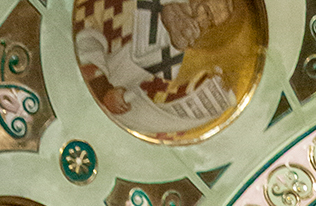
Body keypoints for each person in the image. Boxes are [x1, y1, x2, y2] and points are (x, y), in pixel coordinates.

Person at [73, 0, 238, 135]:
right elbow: (85, 26)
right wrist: (102, 87)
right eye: (206, 12)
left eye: (211, 23)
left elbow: (143, 118)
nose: (202, 23)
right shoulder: (136, 5)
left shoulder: (181, 67)